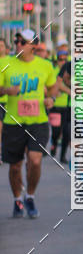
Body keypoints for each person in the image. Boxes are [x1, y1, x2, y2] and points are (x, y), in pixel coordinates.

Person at [0, 29, 58, 217]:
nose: (18, 44)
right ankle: (18, 199)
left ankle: (30, 196)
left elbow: (53, 87)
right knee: (15, 166)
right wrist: (7, 90)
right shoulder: (5, 63)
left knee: (35, 160)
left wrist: (52, 99)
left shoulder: (45, 65)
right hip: (13, 122)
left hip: (38, 122)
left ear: (33, 45)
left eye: (22, 42)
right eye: (16, 41)